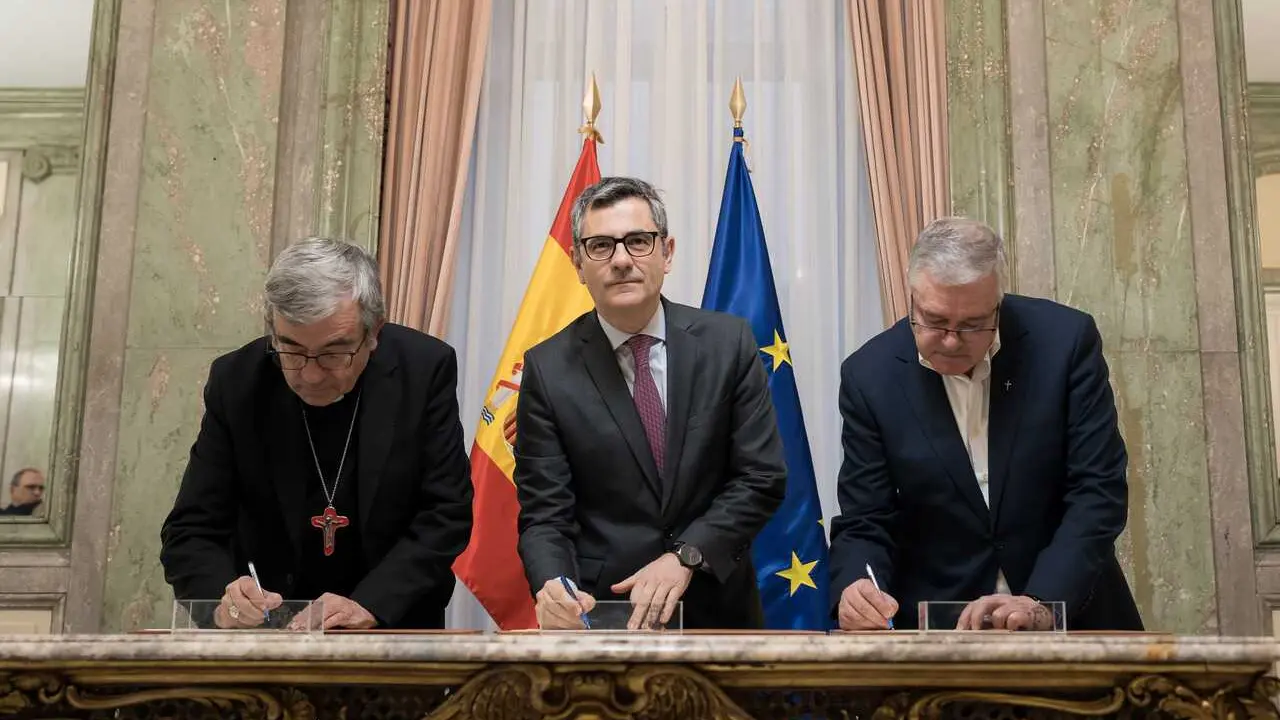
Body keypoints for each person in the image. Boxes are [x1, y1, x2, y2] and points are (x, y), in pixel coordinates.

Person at [829, 217, 1142, 632]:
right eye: (936, 321)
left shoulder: (1064, 343)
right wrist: (856, 586)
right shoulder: (870, 376)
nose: (953, 340)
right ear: (911, 299)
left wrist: (1042, 600)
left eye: (974, 324)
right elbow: (867, 516)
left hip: (1070, 617)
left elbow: (1097, 490)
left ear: (998, 301)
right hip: (941, 632)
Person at [515, 176, 787, 630]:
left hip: (716, 611)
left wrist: (685, 556)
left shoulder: (728, 343)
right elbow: (545, 512)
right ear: (577, 263)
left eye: (638, 241)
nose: (622, 260)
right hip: (602, 615)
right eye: (601, 246)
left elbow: (760, 477)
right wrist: (553, 582)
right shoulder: (547, 369)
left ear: (668, 252)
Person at [159, 238, 472, 630]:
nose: (309, 374)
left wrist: (370, 604)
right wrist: (224, 600)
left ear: (373, 333)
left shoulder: (423, 370)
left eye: (333, 353)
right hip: (269, 641)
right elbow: (191, 529)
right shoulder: (237, 382)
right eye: (290, 350)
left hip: (392, 631)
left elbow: (446, 514)